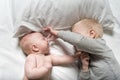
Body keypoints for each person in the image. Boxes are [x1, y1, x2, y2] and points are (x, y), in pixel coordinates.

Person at [43, 19, 120, 80]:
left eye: (76, 35)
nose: (73, 44)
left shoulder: (100, 45)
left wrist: (58, 33)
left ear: (92, 34)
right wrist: (84, 67)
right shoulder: (83, 57)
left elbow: (79, 40)